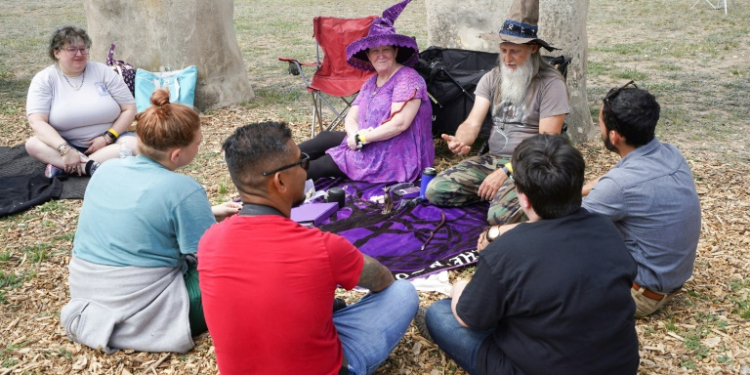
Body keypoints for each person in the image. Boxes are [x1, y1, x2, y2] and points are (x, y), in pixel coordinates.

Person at [198, 121, 419, 375]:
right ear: (280, 182)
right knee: (403, 291)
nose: (307, 170)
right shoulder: (322, 247)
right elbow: (383, 280)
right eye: (302, 162)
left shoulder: (208, 241)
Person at [419, 134, 640, 375]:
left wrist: (458, 287)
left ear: (522, 198)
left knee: (440, 313)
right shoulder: (607, 228)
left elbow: (468, 318)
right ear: (578, 186)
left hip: (532, 366)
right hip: (620, 365)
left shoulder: (507, 249)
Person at [60, 89, 240, 353]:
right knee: (241, 271)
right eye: (198, 143)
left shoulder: (107, 170)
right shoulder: (182, 189)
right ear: (176, 155)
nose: (201, 146)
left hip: (88, 296)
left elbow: (137, 219)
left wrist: (207, 212)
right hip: (145, 310)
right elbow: (215, 257)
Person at [425, 0, 568, 225]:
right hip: (493, 160)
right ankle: (504, 194)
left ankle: (511, 196)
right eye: (503, 51)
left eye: (514, 52)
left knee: (500, 217)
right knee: (436, 191)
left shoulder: (552, 83)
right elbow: (473, 122)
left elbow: (546, 143)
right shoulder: (492, 78)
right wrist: (460, 140)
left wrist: (507, 172)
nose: (507, 59)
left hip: (533, 164)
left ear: (532, 49)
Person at [582, 82, 702, 318]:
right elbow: (613, 181)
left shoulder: (619, 186)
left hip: (638, 296)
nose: (599, 129)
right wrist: (582, 189)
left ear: (614, 137)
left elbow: (561, 227)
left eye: (600, 125)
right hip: (669, 279)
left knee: (553, 256)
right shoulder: (670, 153)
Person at [298, 0, 433, 183]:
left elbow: (399, 124)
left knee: (322, 164)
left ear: (395, 51)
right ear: (368, 56)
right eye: (375, 51)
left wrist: (361, 137)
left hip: (395, 154)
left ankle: (276, 185)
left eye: (386, 49)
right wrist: (355, 135)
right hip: (370, 139)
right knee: (324, 138)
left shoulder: (408, 78)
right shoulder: (371, 82)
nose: (380, 55)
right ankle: (276, 161)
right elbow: (352, 117)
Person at [25, 26, 138, 178]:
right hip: (65, 144)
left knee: (136, 145)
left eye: (83, 49)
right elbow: (37, 122)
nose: (79, 54)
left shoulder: (103, 71)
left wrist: (107, 138)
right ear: (56, 52)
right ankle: (90, 166)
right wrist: (65, 149)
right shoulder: (44, 79)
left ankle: (71, 165)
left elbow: (129, 108)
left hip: (111, 141)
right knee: (32, 144)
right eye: (72, 49)